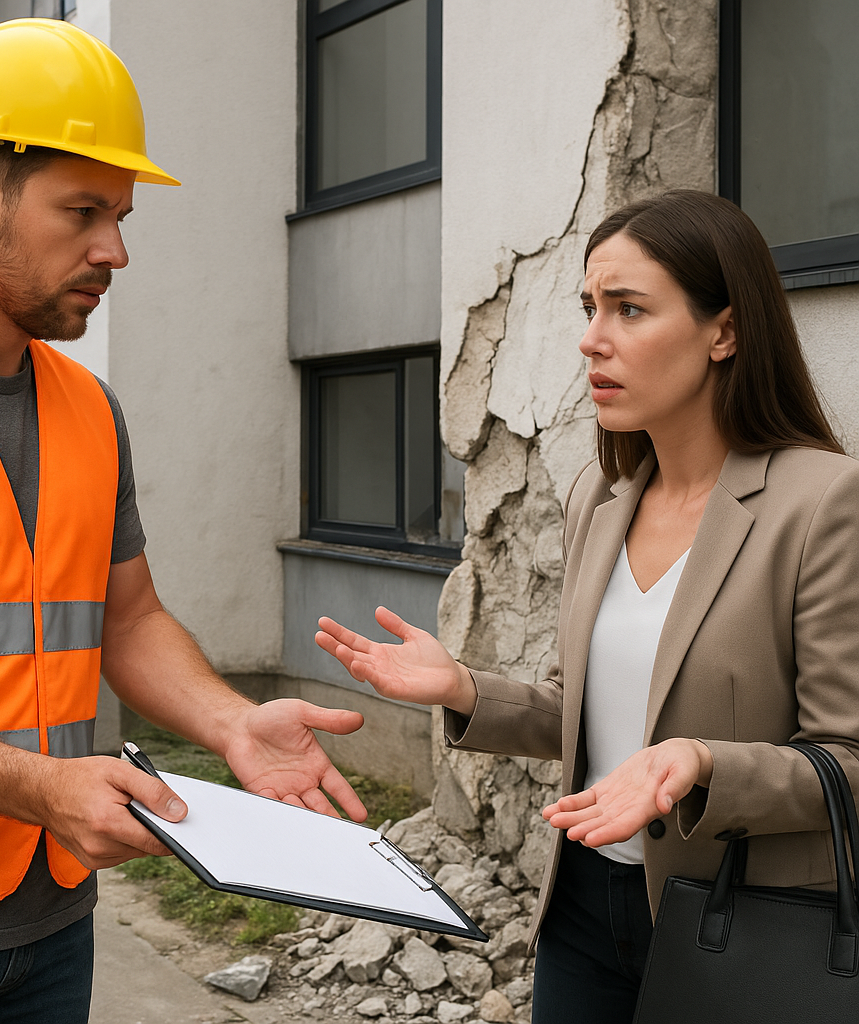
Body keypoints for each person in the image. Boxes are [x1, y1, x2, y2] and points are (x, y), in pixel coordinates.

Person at [0, 19, 366, 1024]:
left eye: (120, 216)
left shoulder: (89, 407)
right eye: (82, 212)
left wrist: (229, 722)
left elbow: (128, 618)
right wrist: (42, 786)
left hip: (51, 920)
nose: (114, 249)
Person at [316, 189, 859, 1024]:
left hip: (740, 920)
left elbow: (849, 762)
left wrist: (703, 765)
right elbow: (586, 715)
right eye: (589, 306)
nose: (591, 339)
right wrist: (464, 689)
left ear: (725, 331)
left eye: (629, 310)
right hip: (582, 907)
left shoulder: (822, 502)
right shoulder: (600, 497)